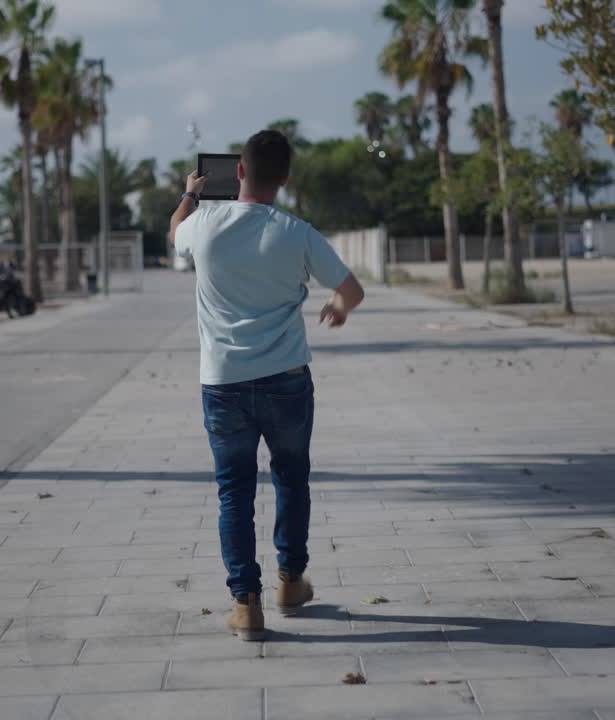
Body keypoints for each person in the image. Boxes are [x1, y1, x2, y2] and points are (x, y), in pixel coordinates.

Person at [169, 129, 365, 640]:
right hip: (287, 381)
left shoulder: (204, 223)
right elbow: (351, 290)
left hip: (223, 384)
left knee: (233, 491)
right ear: (285, 179)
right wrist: (338, 309)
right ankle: (290, 582)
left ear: (238, 172)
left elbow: (175, 232)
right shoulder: (296, 231)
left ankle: (246, 605)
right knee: (291, 477)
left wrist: (190, 192)